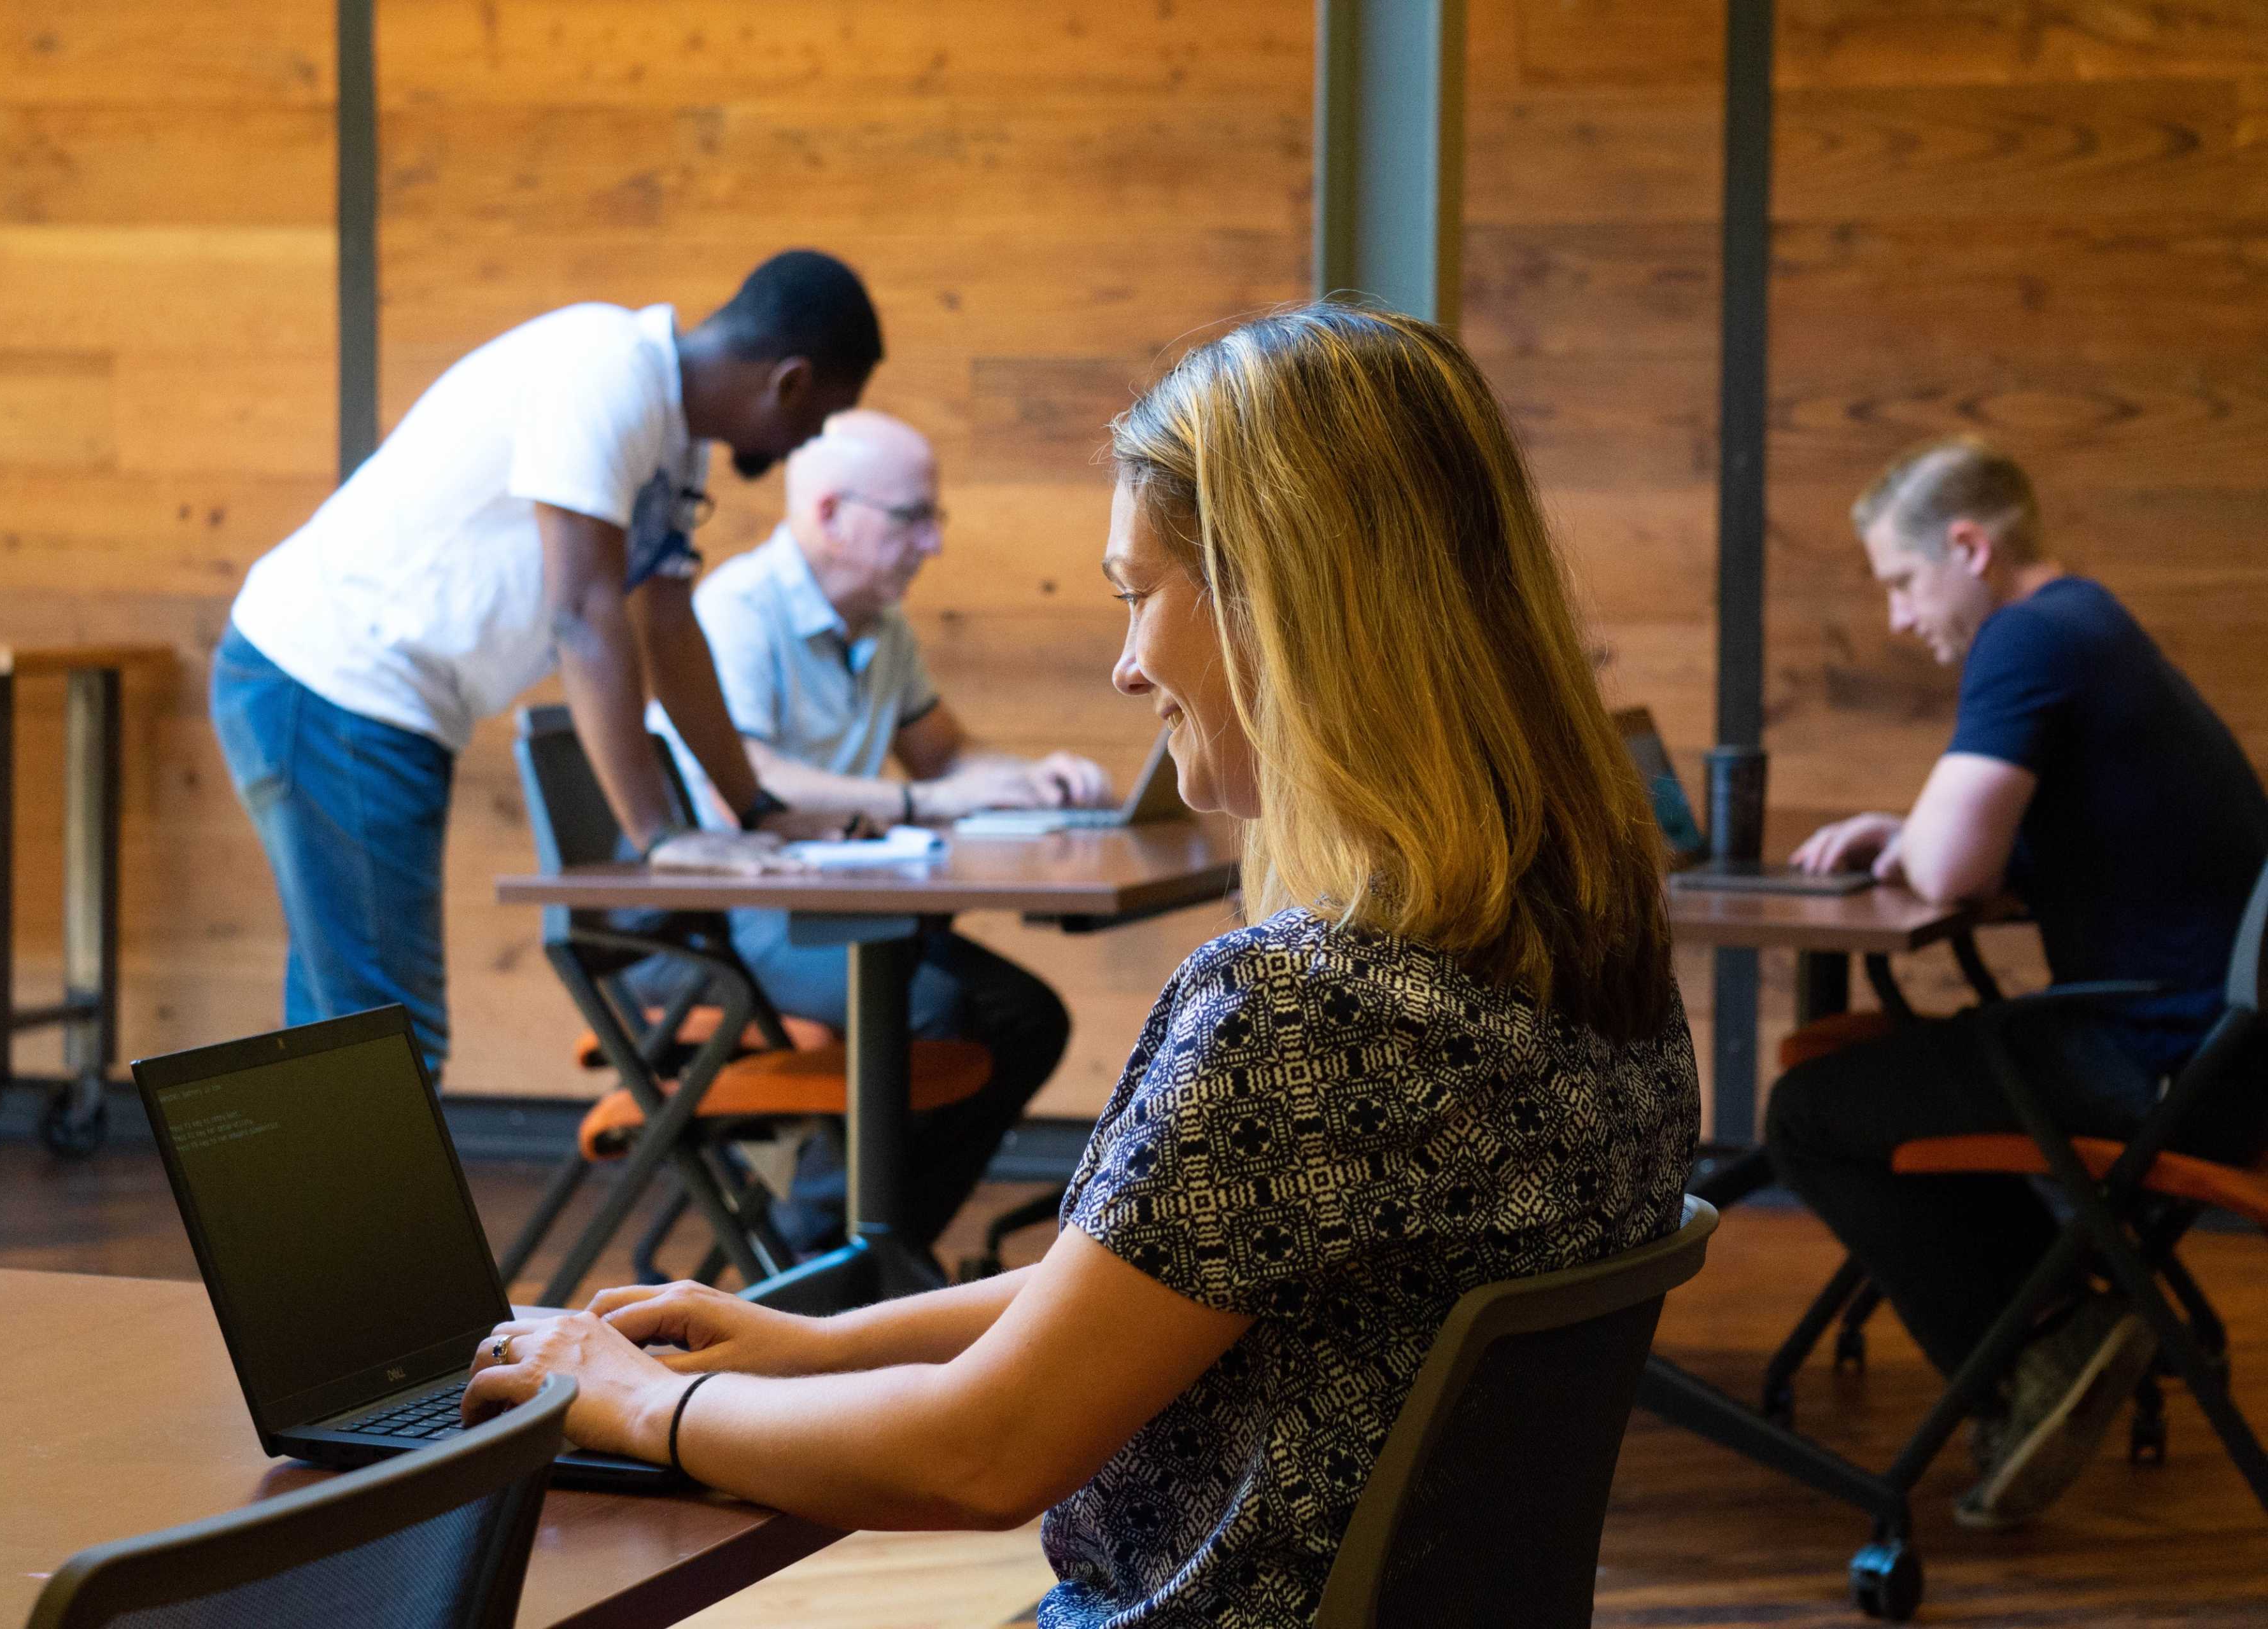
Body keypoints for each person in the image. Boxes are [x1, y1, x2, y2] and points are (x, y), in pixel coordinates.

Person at [460, 305, 1701, 1626]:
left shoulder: (1299, 1013)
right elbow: (1141, 1280)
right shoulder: (1597, 959)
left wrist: (647, 1401)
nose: (1124, 666)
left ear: (1280, 598)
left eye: (1136, 596)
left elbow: (982, 1450)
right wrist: (817, 1340)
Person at [211, 251, 881, 1077]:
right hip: (328, 683)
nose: (804, 444)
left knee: (346, 1028)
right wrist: (661, 834)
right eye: (817, 422)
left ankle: (303, 1210)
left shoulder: (673, 440)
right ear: (788, 382)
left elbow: (669, 631)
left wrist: (756, 806)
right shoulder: (603, 373)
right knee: (381, 1038)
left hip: (368, 701)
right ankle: (344, 1210)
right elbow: (584, 613)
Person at [1770, 436, 2268, 1528]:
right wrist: (1906, 831)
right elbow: (1990, 859)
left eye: (1902, 582)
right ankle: (2063, 1321)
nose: (1901, 619)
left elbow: (1953, 871)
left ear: (1968, 547)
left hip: (2160, 1067)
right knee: (1897, 1078)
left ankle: (2047, 1343)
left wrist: (1914, 843)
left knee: (1809, 1110)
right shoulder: (2092, 624)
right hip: (2217, 1060)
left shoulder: (2029, 636)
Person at [644, 409, 1108, 1258]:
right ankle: (816, 1252)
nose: (932, 543)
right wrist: (920, 803)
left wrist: (1026, 780)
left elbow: (945, 755)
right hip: (727, 919)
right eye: (912, 518)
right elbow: (746, 782)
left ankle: (872, 1249)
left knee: (1026, 1018)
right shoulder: (738, 610)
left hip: (843, 915)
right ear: (828, 514)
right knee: (935, 1007)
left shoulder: (883, 628)